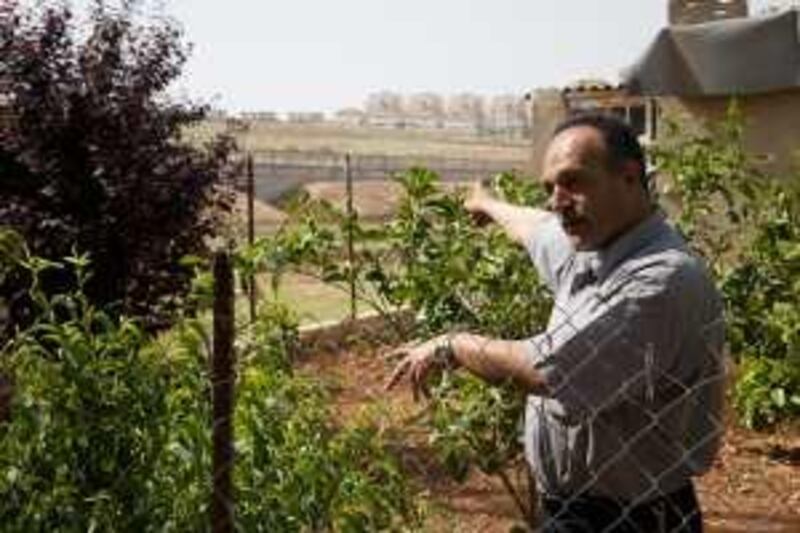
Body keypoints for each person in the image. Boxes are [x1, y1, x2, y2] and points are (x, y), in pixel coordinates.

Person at [386, 113, 725, 532]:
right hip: (576, 511)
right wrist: (488, 204)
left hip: (630, 519)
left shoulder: (661, 280)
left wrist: (452, 345)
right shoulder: (594, 247)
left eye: (573, 181)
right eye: (550, 188)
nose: (556, 200)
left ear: (630, 177)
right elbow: (535, 227)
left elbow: (547, 369)